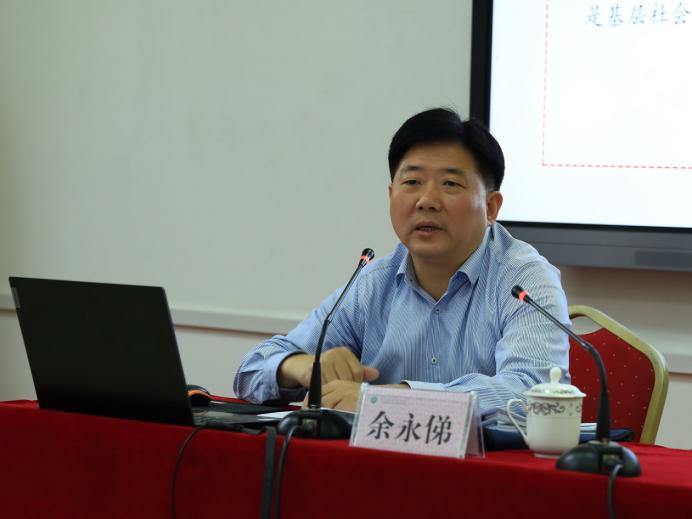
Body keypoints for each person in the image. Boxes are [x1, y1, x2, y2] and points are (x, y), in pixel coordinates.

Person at [233, 107, 570, 413]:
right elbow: (250, 370)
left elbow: (534, 393)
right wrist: (302, 366)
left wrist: (386, 401)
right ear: (391, 194)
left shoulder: (524, 281)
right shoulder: (373, 283)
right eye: (411, 182)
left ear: (491, 207)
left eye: (450, 184)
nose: (427, 200)